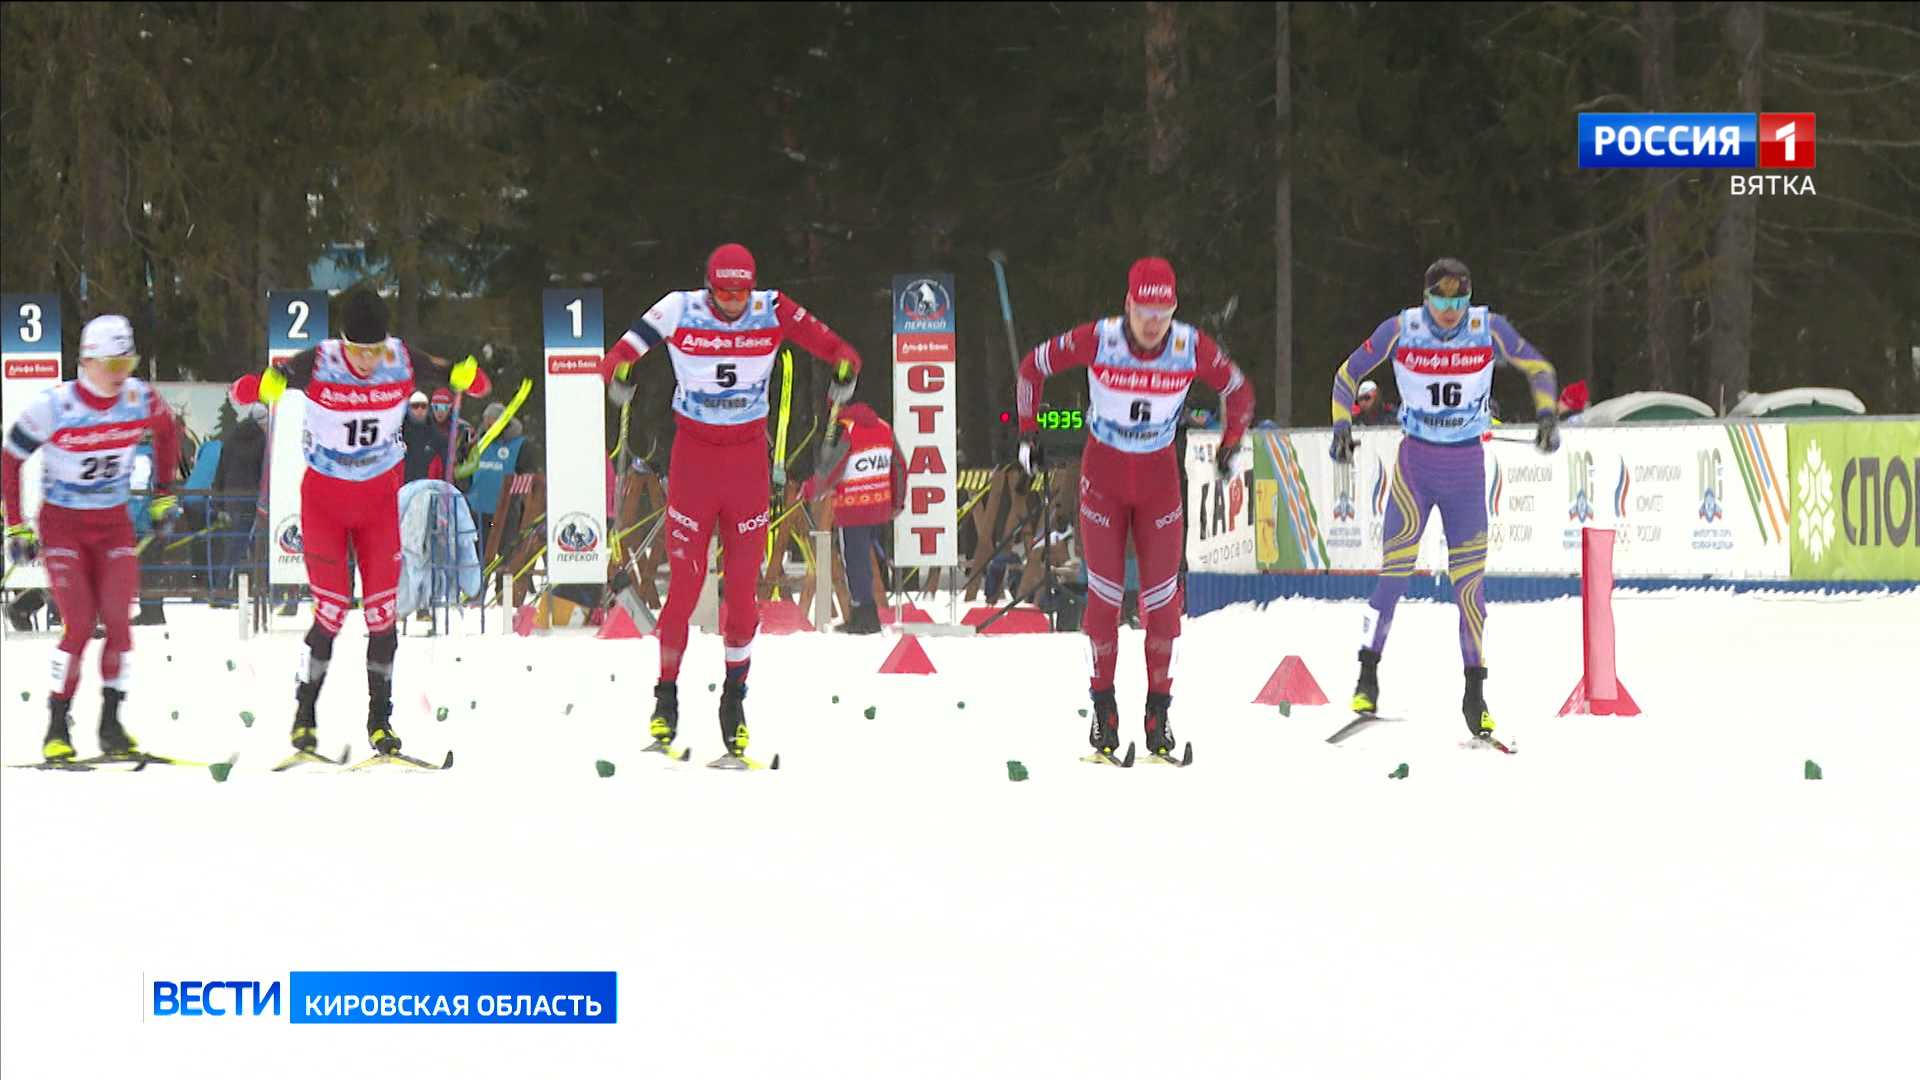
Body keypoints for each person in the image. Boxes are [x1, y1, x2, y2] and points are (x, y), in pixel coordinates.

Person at [599, 242, 861, 761]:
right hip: (694, 461)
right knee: (685, 586)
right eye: (724, 292)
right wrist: (621, 375)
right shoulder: (679, 307)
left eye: (741, 291)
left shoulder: (773, 308)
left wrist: (845, 372)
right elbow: (616, 356)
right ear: (708, 285)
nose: (735, 303)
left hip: (745, 465)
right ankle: (666, 696)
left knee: (742, 594)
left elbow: (839, 349)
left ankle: (734, 700)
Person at [230, 288, 490, 757]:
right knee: (329, 613)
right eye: (357, 351)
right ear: (342, 342)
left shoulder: (399, 357)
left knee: (382, 615)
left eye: (373, 350)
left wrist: (466, 377)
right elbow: (262, 383)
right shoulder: (319, 361)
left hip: (376, 505)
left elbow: (450, 372)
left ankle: (380, 722)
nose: (367, 361)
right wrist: (259, 387)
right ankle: (305, 716)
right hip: (326, 503)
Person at [1015, 257, 1253, 761]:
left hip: (1159, 482)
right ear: (1128, 304)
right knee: (1103, 597)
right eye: (1144, 309)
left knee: (1163, 604)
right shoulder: (1100, 338)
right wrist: (1027, 431)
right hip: (1102, 478)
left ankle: (1158, 716)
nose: (1152, 322)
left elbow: (1238, 389)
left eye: (1163, 311)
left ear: (1174, 310)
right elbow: (1032, 366)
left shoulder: (1190, 346)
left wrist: (1233, 440)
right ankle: (1104, 715)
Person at [1328, 257, 1559, 742]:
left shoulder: (1487, 328)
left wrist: (1546, 415)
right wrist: (1342, 426)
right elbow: (1347, 374)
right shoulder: (1402, 329)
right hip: (1416, 467)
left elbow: (1538, 367)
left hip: (1465, 471)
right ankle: (1367, 675)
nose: (1451, 311)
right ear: (1425, 296)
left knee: (1470, 590)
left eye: (1460, 300)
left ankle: (1475, 696)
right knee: (1393, 575)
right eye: (1441, 299)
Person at [2, 314, 181, 761]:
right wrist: (17, 524)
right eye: (111, 365)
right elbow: (9, 459)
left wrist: (163, 495)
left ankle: (112, 726)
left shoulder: (139, 397)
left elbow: (166, 431)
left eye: (127, 363)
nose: (121, 375)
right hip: (64, 526)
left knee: (120, 624)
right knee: (80, 623)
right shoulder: (55, 405)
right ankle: (57, 725)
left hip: (113, 525)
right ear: (86, 361)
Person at [801, 401, 905, 634]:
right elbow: (899, 465)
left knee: (855, 562)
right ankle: (865, 613)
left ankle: (864, 617)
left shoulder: (848, 431)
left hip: (853, 507)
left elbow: (833, 468)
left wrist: (809, 488)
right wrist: (897, 502)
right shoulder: (884, 428)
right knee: (865, 560)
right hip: (879, 505)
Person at [211, 402, 268, 605]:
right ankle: (258, 588)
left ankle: (225, 588)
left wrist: (218, 502)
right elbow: (263, 472)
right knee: (252, 546)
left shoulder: (231, 439)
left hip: (231, 499)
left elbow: (221, 469)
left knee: (237, 544)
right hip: (251, 500)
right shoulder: (262, 441)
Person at [401, 391, 448, 483]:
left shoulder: (435, 434)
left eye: (423, 406)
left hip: (424, 485)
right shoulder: (399, 432)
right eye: (415, 406)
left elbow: (442, 465)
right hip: (402, 485)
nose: (419, 410)